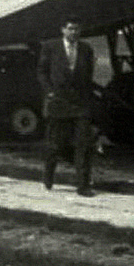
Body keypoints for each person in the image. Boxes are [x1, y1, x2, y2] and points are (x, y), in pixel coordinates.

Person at [37, 18, 97, 196]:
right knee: (56, 144)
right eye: (70, 29)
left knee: (83, 144)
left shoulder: (86, 49)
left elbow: (88, 74)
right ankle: (49, 173)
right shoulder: (51, 47)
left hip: (80, 103)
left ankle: (83, 185)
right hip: (59, 102)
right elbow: (41, 71)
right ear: (63, 30)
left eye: (77, 29)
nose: (74, 32)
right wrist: (49, 91)